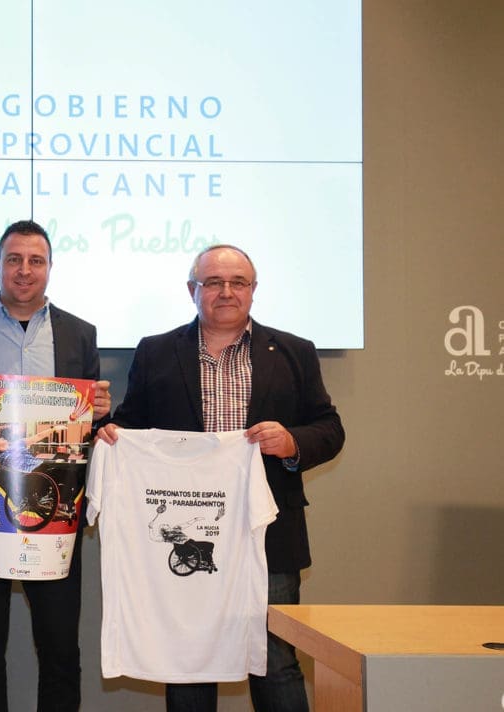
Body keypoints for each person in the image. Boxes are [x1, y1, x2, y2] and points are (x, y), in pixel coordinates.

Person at [97, 244, 345, 712]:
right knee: (189, 658)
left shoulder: (294, 351)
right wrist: (112, 433)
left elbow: (329, 429)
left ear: (253, 290)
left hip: (267, 531)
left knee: (276, 659)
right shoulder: (156, 351)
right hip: (190, 533)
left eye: (237, 282)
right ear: (192, 290)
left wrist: (291, 441)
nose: (226, 292)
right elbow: (131, 424)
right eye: (213, 282)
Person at [0, 219, 112, 712]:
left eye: (36, 260)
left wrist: (101, 411)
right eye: (14, 259)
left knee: (60, 646)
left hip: (54, 509)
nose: (24, 270)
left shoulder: (80, 333)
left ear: (50, 267)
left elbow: (86, 425)